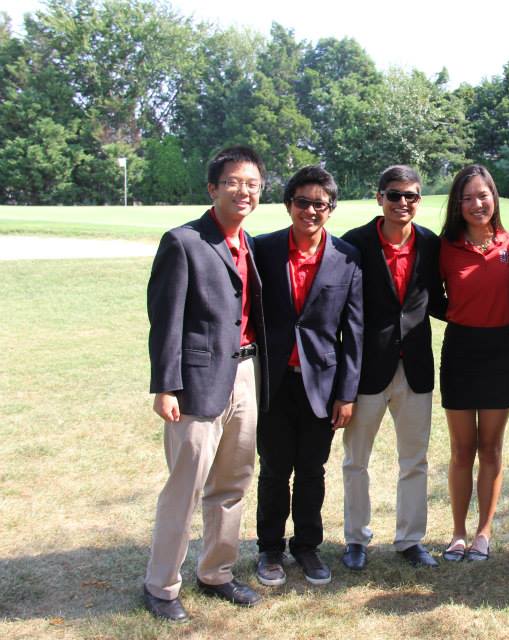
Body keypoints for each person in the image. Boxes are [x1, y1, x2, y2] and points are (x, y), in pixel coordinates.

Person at [143, 146, 268, 622]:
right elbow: (165, 320)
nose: (244, 191)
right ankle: (161, 585)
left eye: (253, 184)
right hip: (196, 383)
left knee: (233, 482)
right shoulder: (183, 242)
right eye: (234, 182)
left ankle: (216, 571)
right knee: (186, 486)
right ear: (212, 188)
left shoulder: (248, 242)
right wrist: (165, 386)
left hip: (245, 375)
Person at [252, 166, 363, 587]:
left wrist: (347, 394)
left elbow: (354, 332)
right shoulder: (262, 249)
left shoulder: (347, 258)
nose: (311, 210)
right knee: (275, 468)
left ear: (331, 209)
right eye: (303, 202)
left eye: (320, 204)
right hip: (273, 382)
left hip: (322, 385)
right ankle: (269, 548)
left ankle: (307, 546)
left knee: (313, 469)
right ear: (288, 205)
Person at [340, 165, 446, 569]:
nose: (403, 203)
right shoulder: (353, 245)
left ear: (419, 200)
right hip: (367, 368)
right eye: (394, 195)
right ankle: (355, 539)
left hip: (416, 367)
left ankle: (410, 539)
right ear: (379, 197)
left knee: (414, 459)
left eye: (412, 196)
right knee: (356, 460)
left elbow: (438, 299)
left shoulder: (431, 245)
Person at [437, 165, 509, 563]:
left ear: (494, 198)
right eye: (467, 197)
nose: (476, 204)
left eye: (482, 195)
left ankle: (483, 534)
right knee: (461, 449)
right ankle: (457, 533)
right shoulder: (445, 247)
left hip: (500, 349)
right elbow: (429, 297)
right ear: (457, 204)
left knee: (490, 448)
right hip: (459, 349)